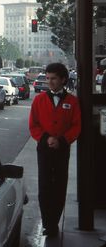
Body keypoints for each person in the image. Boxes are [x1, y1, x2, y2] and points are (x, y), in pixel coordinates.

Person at [29, 63, 81, 237]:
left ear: (63, 79)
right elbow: (33, 125)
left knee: (59, 185)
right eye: (48, 78)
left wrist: (63, 140)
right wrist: (46, 139)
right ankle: (47, 223)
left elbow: (76, 126)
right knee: (44, 186)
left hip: (62, 150)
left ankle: (54, 222)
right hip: (43, 149)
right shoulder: (39, 100)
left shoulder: (72, 101)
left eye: (53, 78)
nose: (49, 82)